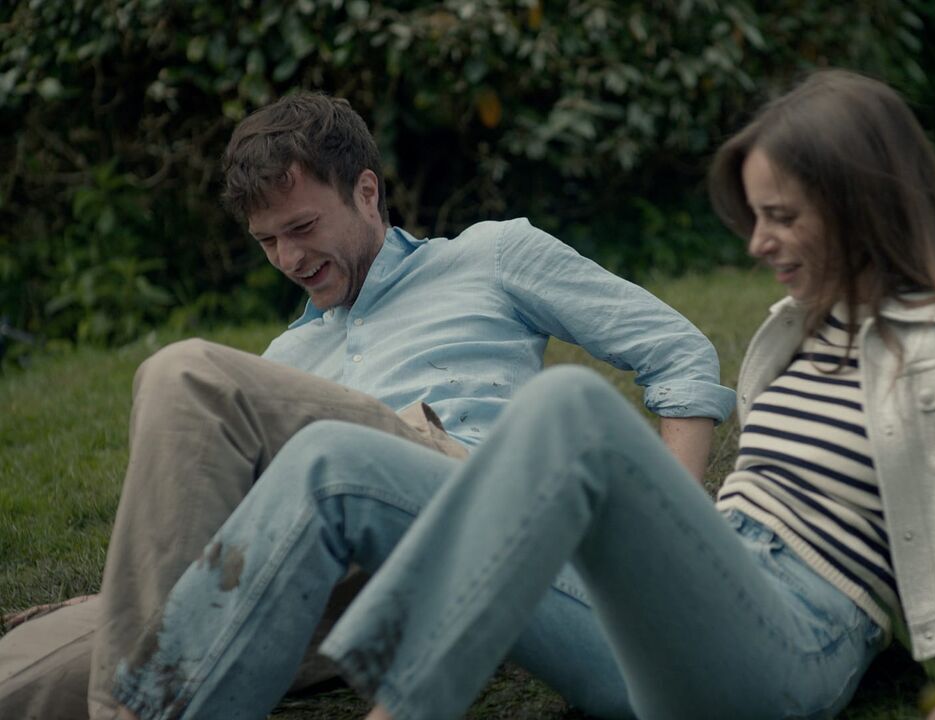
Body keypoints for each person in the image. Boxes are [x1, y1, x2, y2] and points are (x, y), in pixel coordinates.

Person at [108, 70, 935, 720]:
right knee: (329, 461)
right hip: (693, 595)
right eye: (754, 217)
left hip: (796, 635)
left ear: (862, 201)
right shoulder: (794, 331)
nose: (756, 244)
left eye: (779, 216)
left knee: (570, 410)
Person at [0, 92, 735, 720]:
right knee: (28, 672)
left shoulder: (487, 255)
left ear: (367, 192)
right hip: (328, 571)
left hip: (462, 497)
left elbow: (676, 352)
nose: (289, 260)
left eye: (302, 228)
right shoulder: (281, 363)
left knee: (183, 373)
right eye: (267, 241)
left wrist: (663, 542)